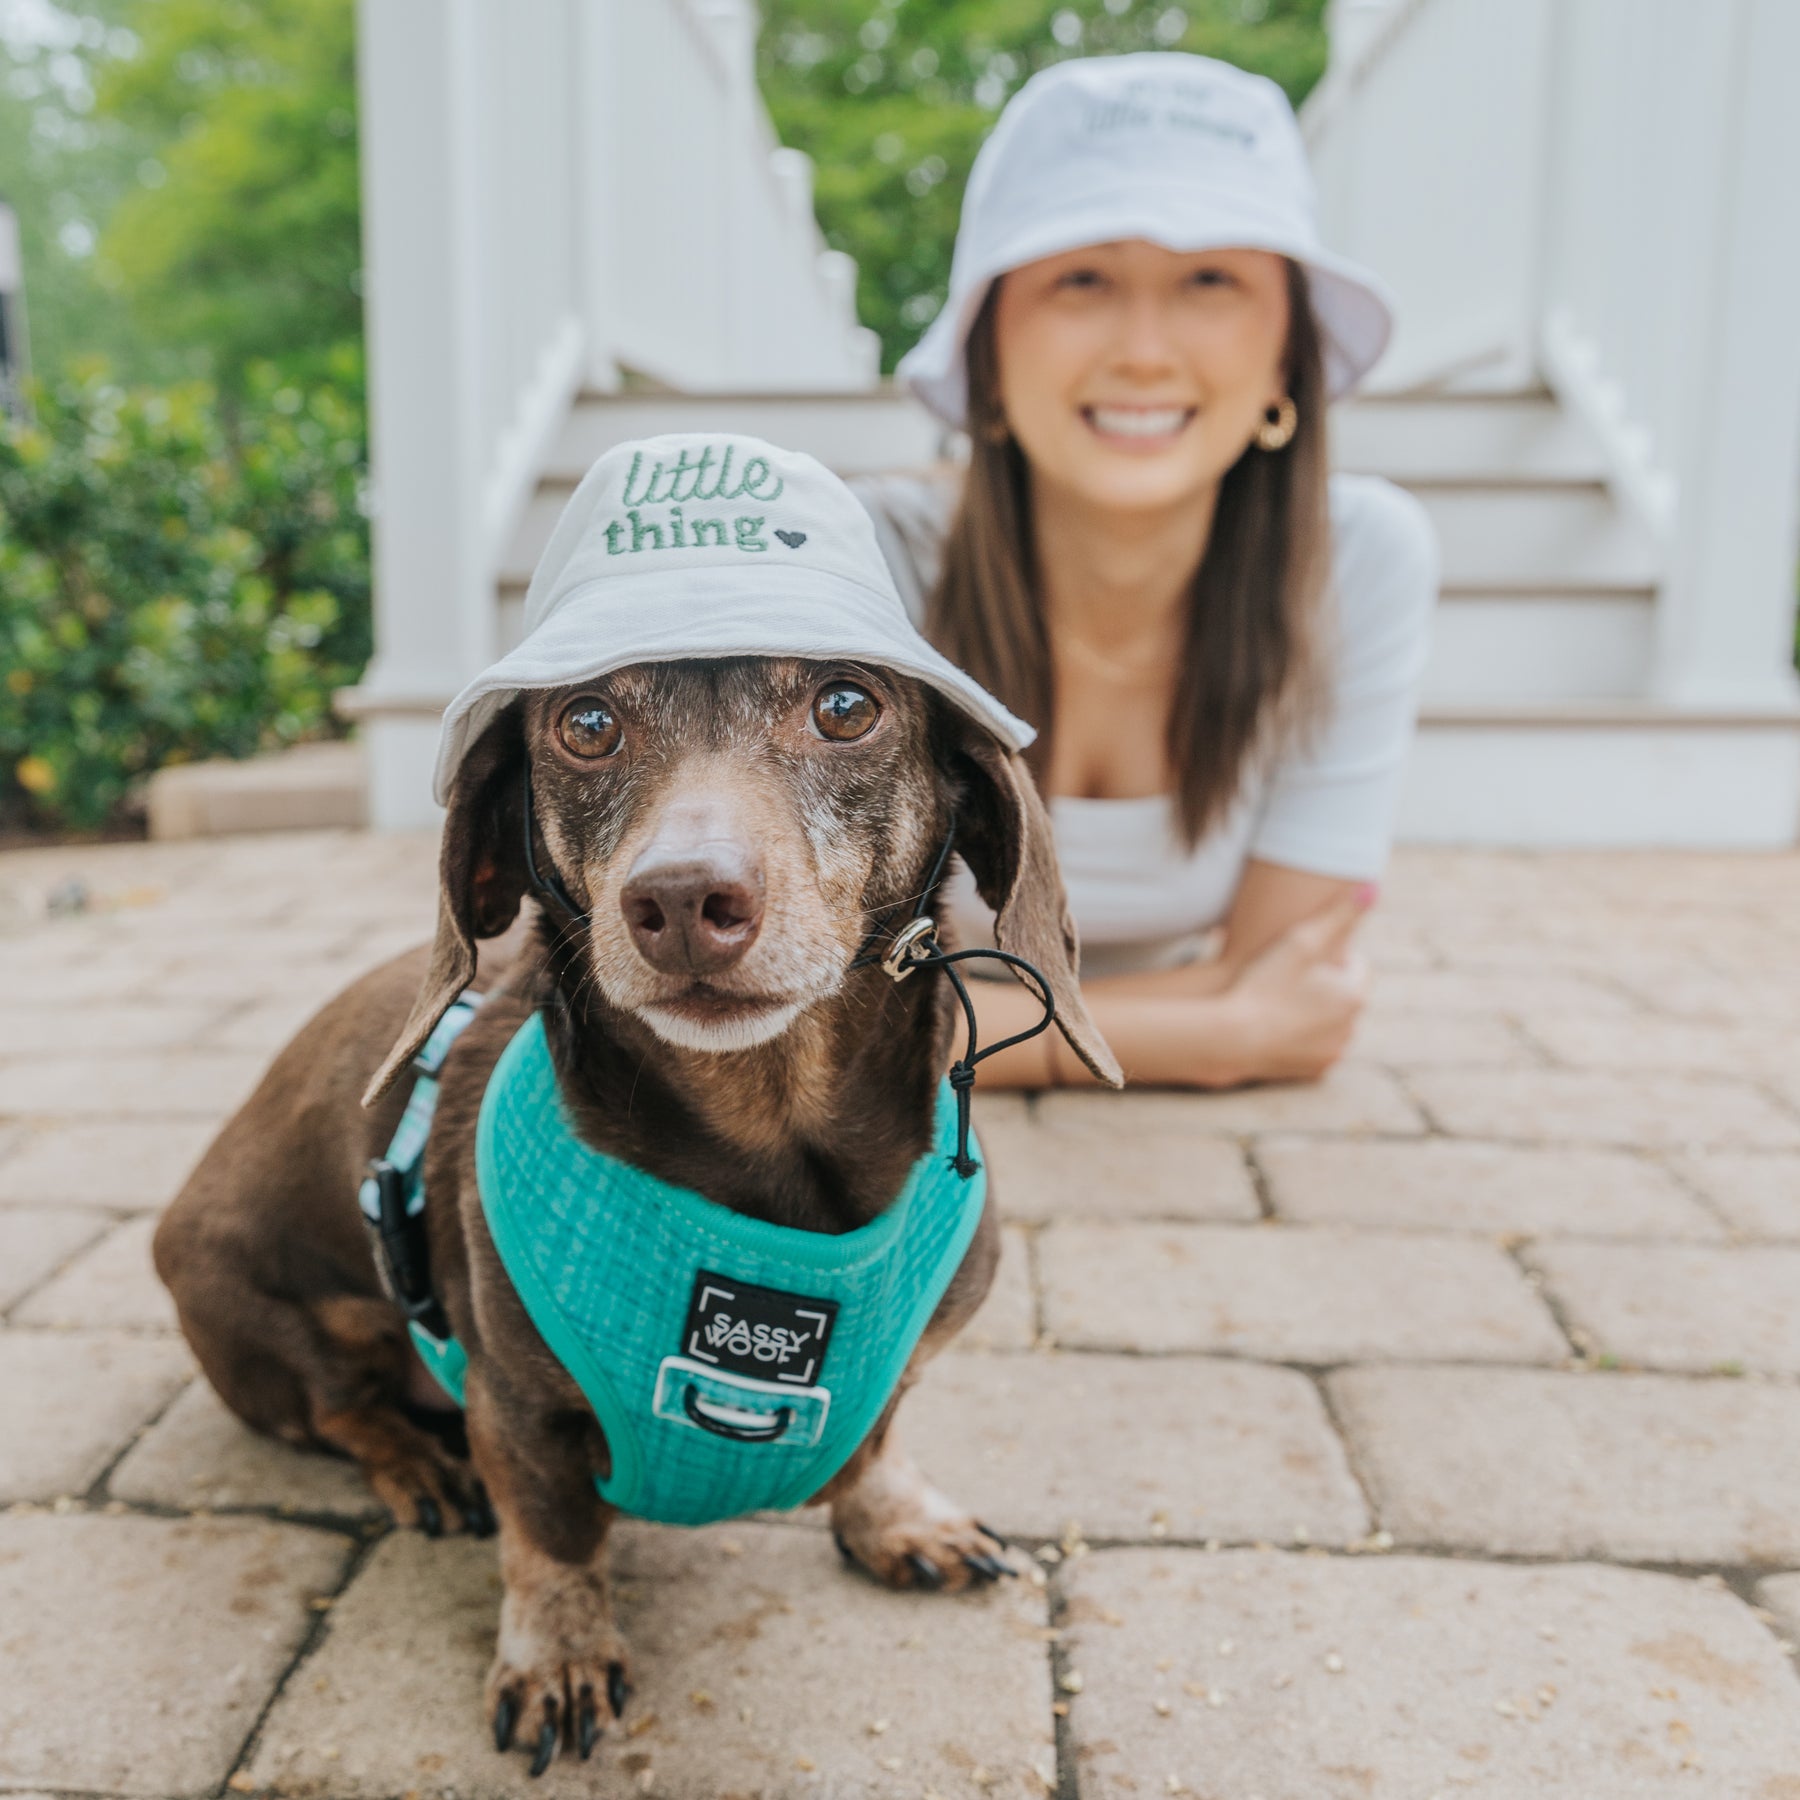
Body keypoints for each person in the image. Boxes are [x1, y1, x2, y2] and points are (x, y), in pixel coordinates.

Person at [857, 51, 1438, 1090]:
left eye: (1210, 280)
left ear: (1286, 355)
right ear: (987, 349)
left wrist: (937, 1030)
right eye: (1081, 279)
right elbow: (801, 1014)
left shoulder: (1358, 561)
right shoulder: (872, 562)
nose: (1143, 350)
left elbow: (1287, 973)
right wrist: (1214, 1036)